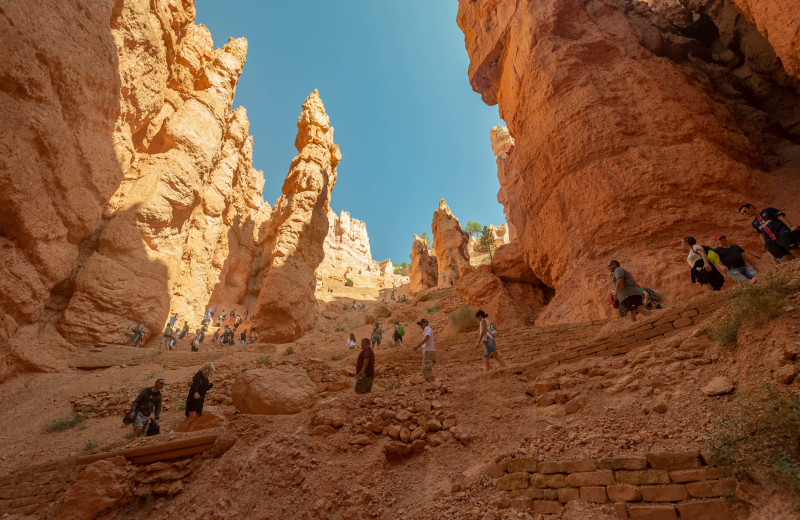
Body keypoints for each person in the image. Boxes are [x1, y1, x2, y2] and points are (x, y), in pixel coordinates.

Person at [174, 363, 214, 432]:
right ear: (208, 368)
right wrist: (196, 392)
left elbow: (204, 389)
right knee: (191, 416)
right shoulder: (200, 373)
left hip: (200, 399)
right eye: (211, 369)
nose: (212, 371)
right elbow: (195, 383)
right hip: (194, 397)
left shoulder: (206, 378)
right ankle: (174, 432)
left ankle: (188, 434)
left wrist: (211, 384)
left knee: (196, 417)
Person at [413, 318, 435, 383]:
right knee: (425, 370)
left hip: (428, 351)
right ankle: (433, 383)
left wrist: (418, 345)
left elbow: (427, 338)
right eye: (420, 324)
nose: (421, 325)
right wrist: (433, 357)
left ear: (425, 323)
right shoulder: (428, 330)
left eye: (421, 324)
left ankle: (433, 384)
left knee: (426, 369)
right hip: (429, 351)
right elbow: (431, 342)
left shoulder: (427, 328)